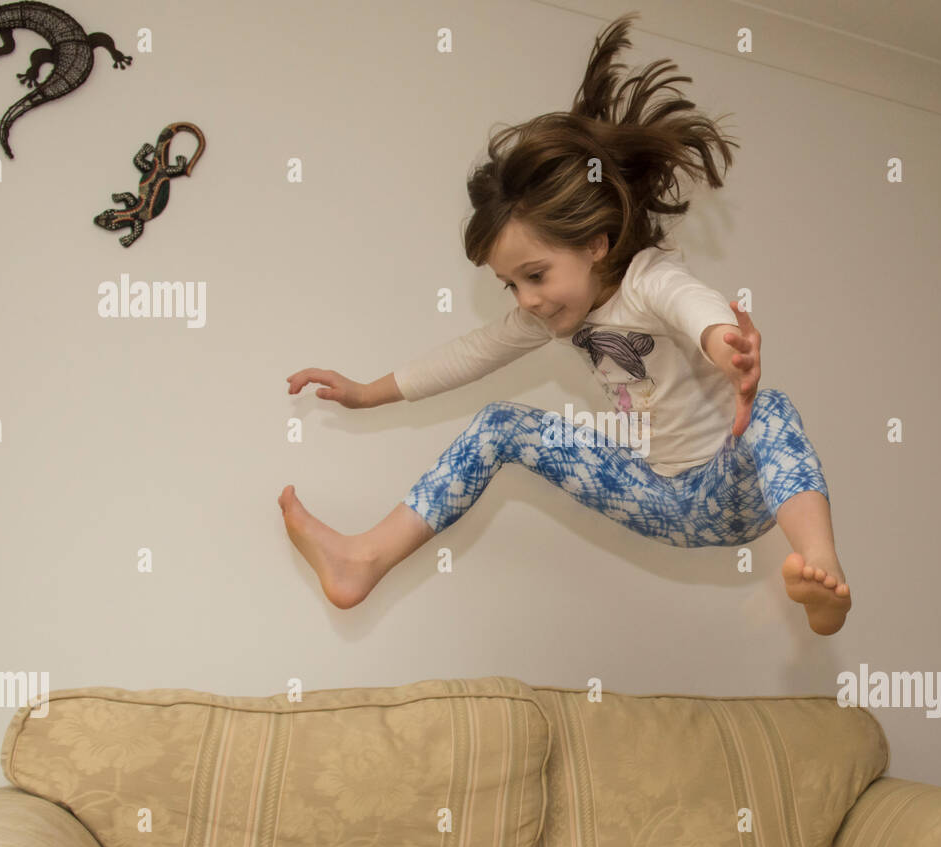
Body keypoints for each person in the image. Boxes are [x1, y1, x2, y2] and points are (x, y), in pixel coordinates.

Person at [279, 12, 850, 634]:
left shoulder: (647, 281)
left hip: (730, 486)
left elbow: (695, 308)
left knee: (772, 409)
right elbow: (467, 354)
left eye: (536, 275)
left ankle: (819, 571)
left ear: (596, 244)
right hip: (656, 494)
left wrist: (724, 344)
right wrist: (366, 393)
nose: (525, 300)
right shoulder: (551, 318)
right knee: (500, 423)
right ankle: (364, 558)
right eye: (511, 285)